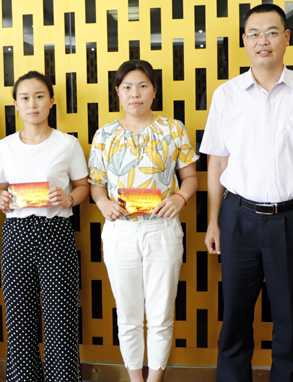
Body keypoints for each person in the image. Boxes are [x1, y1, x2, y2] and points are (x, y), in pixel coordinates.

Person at [200, 3, 293, 382]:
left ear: (286, 38)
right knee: (235, 318)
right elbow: (216, 163)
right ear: (244, 41)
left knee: (290, 320)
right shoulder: (227, 95)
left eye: (272, 32)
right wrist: (213, 221)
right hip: (237, 219)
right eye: (254, 33)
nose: (262, 41)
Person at [88, 60, 198, 382]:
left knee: (161, 315)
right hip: (120, 232)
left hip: (161, 231)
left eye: (142, 86)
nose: (134, 93)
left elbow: (190, 177)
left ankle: (155, 379)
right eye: (127, 87)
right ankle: (135, 379)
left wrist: (179, 198)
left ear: (154, 92)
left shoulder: (173, 129)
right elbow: (96, 184)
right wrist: (103, 202)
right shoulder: (104, 134)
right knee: (128, 315)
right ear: (118, 93)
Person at [0, 71, 89, 382]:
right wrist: (0, 199)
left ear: (51, 101)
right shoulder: (5, 146)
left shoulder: (67, 144)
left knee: (61, 318)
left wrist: (68, 198)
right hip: (16, 235)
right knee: (19, 319)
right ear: (16, 105)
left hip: (55, 231)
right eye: (24, 98)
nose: (32, 103)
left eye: (39, 96)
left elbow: (83, 187)